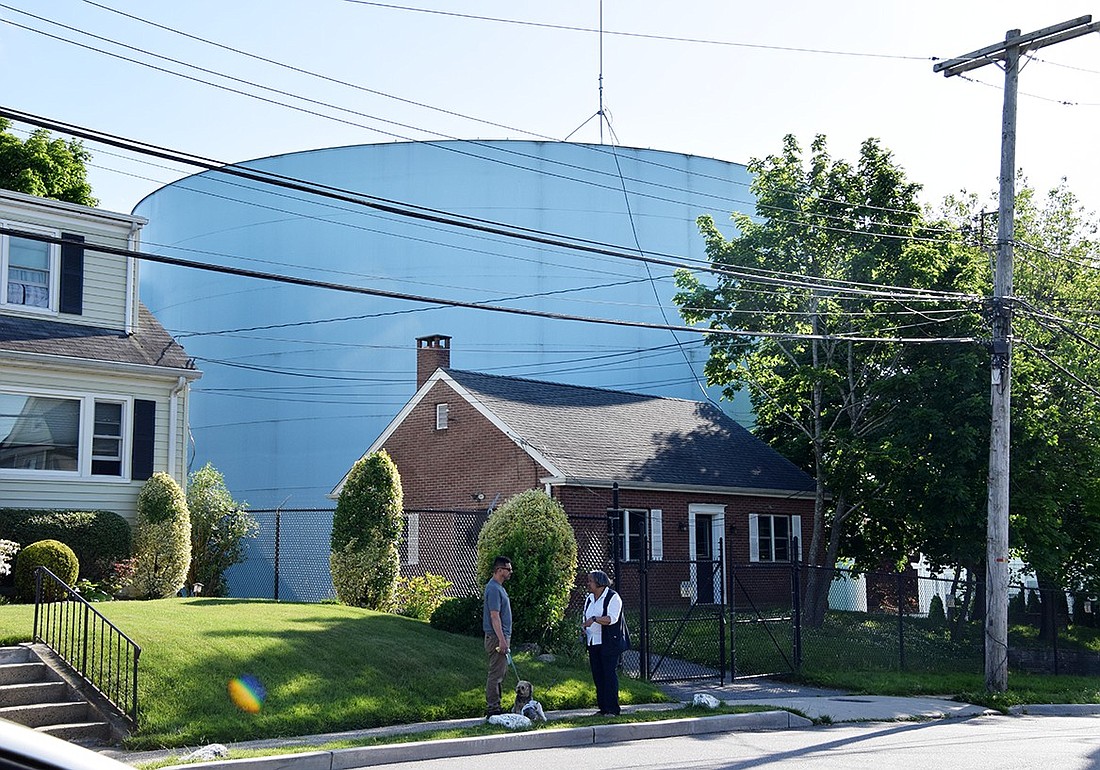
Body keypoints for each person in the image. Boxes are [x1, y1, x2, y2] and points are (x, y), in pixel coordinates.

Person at [582, 569, 623, 716]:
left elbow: (612, 618)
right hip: (593, 642)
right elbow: (585, 616)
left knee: (609, 674)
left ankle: (613, 708)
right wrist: (584, 628)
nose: (588, 584)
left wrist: (593, 619)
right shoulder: (589, 598)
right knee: (598, 675)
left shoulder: (613, 597)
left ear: (599, 582)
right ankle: (603, 708)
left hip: (608, 642)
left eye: (590, 581)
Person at [483, 555, 513, 716]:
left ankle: (496, 705)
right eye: (508, 569)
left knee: (500, 673)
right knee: (495, 673)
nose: (510, 572)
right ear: (499, 570)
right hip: (496, 637)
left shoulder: (499, 588)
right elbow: (495, 616)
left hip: (500, 636)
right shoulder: (493, 589)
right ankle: (493, 708)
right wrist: (502, 640)